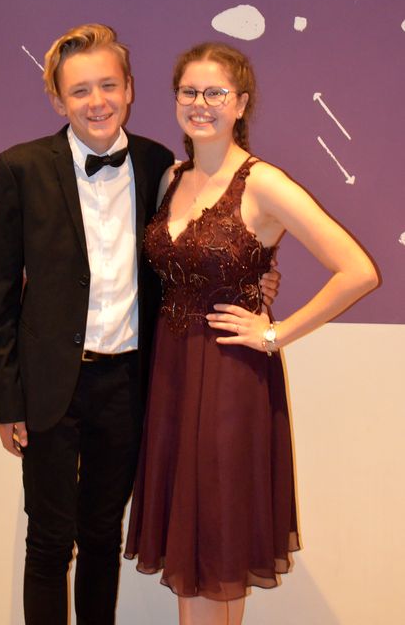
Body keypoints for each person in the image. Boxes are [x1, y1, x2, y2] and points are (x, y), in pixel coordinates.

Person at [0, 24, 280, 625]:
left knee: (101, 536)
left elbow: (188, 256)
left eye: (108, 85)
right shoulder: (21, 167)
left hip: (128, 384)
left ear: (130, 89)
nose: (97, 101)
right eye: (79, 90)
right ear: (58, 100)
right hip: (49, 385)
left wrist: (256, 285)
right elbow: (1, 293)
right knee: (48, 540)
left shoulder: (157, 165)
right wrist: (5, 399)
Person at [124, 41, 378, 625]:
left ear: (240, 103)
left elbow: (358, 271)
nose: (201, 103)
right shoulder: (171, 178)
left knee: (216, 536)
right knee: (201, 544)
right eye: (189, 91)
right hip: (171, 375)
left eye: (215, 92)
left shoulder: (263, 183)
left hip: (230, 381)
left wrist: (275, 334)